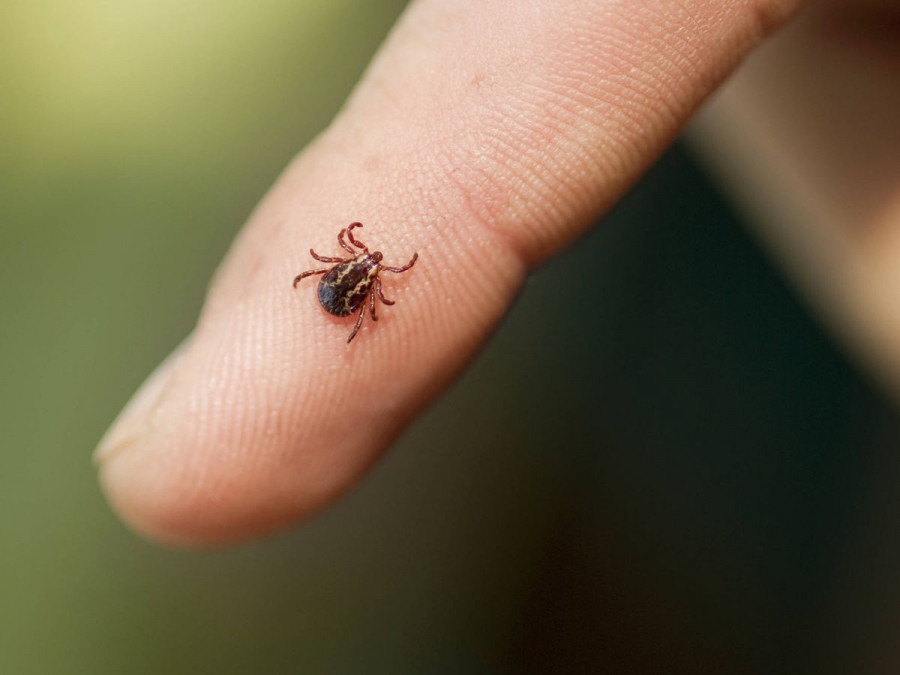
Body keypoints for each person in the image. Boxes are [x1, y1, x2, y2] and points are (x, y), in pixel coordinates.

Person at [95, 0, 894, 546]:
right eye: (358, 263)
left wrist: (344, 288)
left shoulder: (355, 278)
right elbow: (352, 286)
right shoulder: (365, 281)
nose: (359, 268)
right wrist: (357, 291)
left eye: (358, 265)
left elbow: (338, 280)